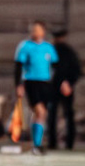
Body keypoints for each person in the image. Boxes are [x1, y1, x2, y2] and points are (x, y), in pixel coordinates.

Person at [13, 20, 60, 156]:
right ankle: (37, 145)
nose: (35, 32)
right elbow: (18, 67)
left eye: (38, 29)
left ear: (43, 31)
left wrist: (61, 83)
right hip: (31, 82)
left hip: (45, 83)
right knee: (40, 112)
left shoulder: (48, 48)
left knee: (42, 113)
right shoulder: (25, 46)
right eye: (33, 30)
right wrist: (18, 85)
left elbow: (56, 66)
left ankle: (36, 143)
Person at [49, 28, 83, 150]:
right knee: (65, 114)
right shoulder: (68, 52)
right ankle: (68, 142)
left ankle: (55, 142)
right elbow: (77, 70)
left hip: (57, 87)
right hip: (60, 87)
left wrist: (67, 82)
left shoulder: (56, 51)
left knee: (56, 115)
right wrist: (69, 82)